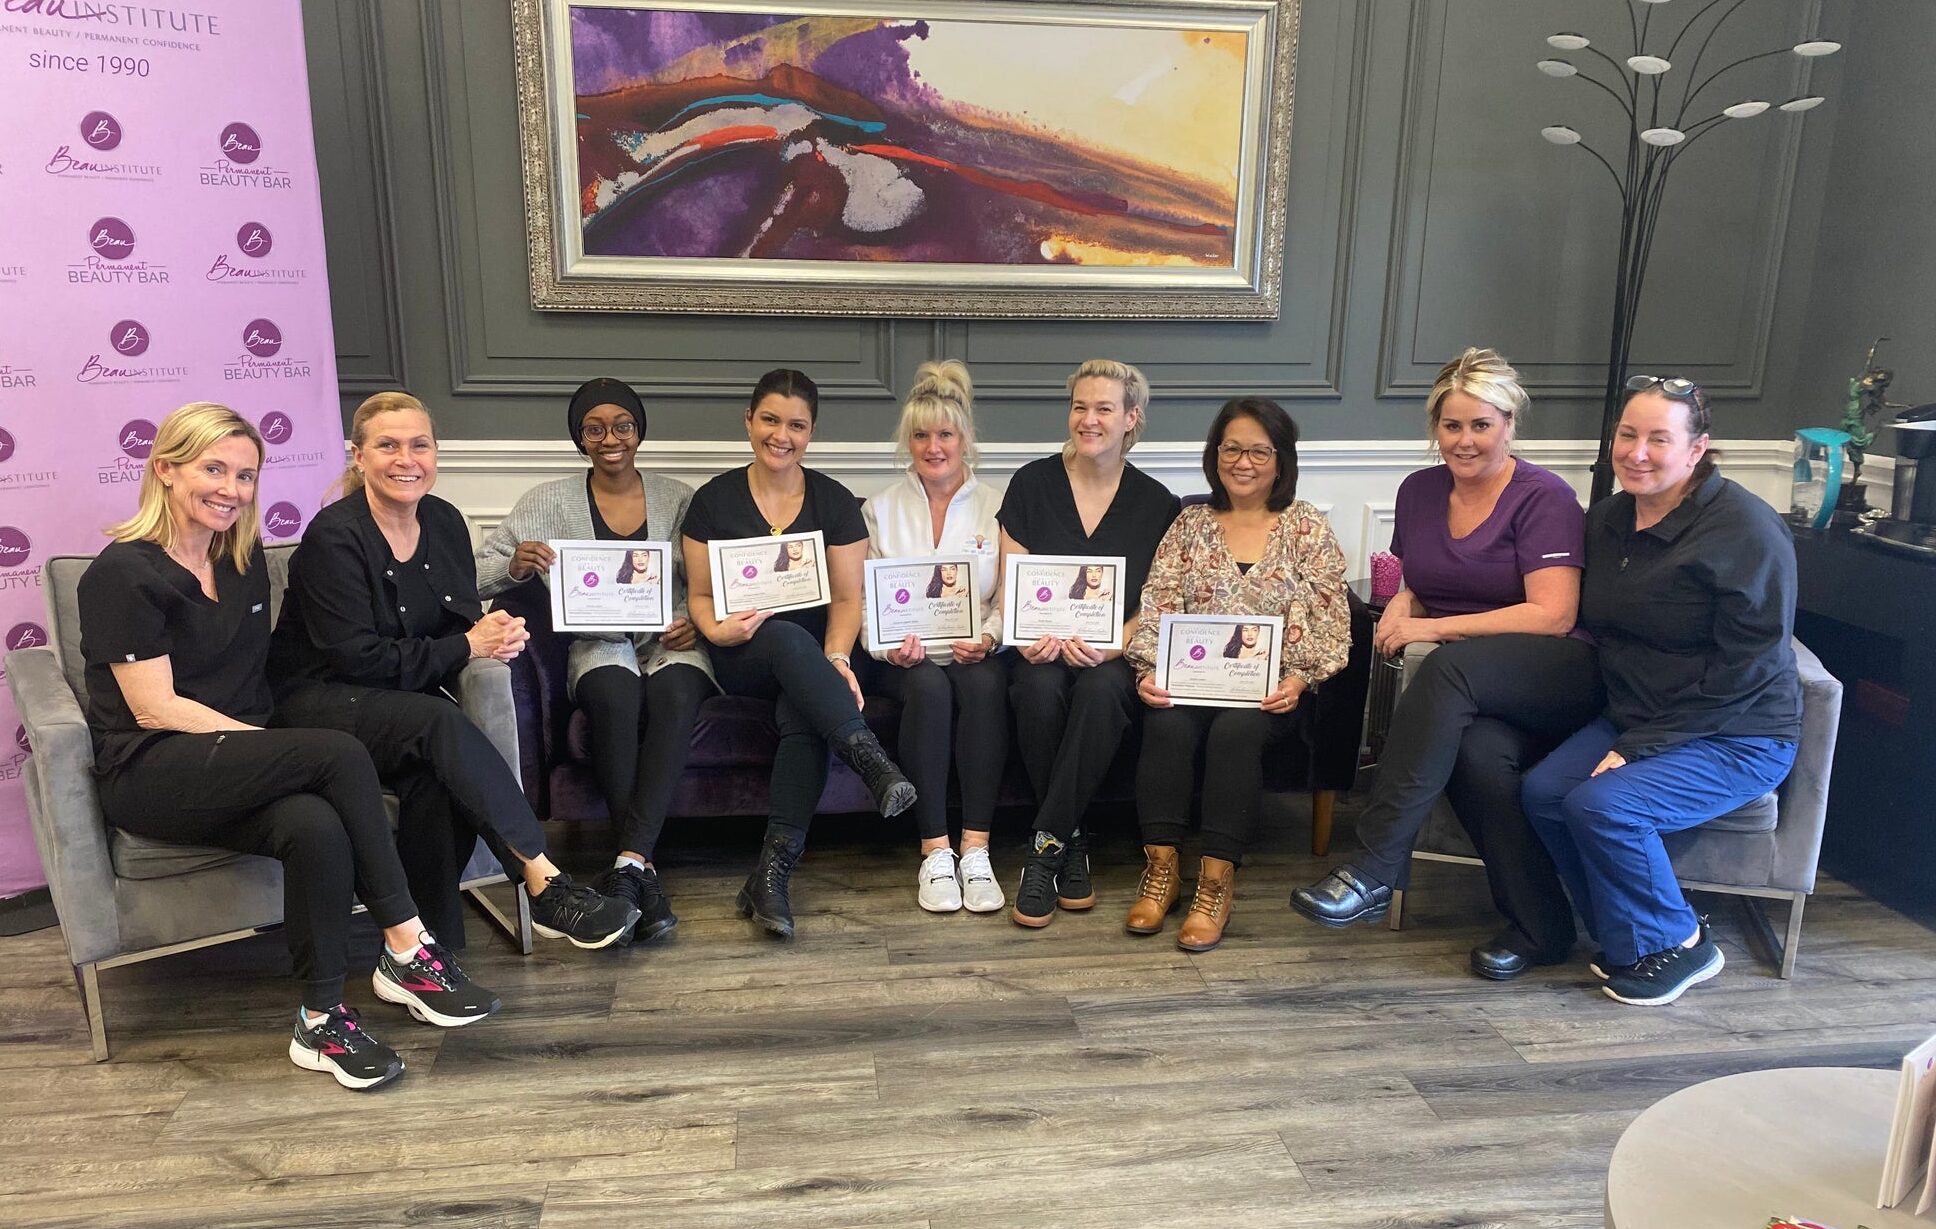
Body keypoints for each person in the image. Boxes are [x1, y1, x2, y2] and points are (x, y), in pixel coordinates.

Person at [77, 402, 498, 1092]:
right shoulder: (123, 573)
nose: (231, 488)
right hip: (150, 766)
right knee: (334, 752)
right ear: (165, 471)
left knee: (315, 824)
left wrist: (275, 747)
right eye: (214, 468)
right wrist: (278, 747)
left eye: (245, 475)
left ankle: (321, 1016)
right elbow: (154, 707)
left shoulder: (239, 562)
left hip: (230, 762)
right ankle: (405, 943)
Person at [270, 392, 641, 952]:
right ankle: (544, 882)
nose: (406, 459)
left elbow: (459, 619)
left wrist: (495, 635)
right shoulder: (333, 537)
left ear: (435, 454)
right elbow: (357, 659)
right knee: (438, 722)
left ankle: (432, 949)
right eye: (387, 446)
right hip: (320, 699)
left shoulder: (443, 521)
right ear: (358, 457)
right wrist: (468, 643)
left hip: (403, 705)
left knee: (436, 781)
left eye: (419, 445)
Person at [1288, 348, 1601, 981]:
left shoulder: (1545, 497)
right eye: (1451, 425)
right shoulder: (1419, 491)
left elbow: (1553, 614)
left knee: (1447, 671)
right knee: (1479, 757)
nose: (1464, 441)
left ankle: (1373, 867)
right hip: (1477, 687)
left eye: (1481, 425)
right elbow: (1422, 577)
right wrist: (1404, 605)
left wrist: (1429, 628)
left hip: (1556, 670)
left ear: (1510, 424)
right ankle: (1543, 927)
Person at [1522, 376, 1801, 1007]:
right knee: (1544, 792)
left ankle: (1680, 943)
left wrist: (1645, 745)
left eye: (1658, 439)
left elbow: (1750, 666)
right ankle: (1626, 938)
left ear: (1697, 449)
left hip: (1738, 732)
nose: (1637, 452)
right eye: (1627, 434)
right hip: (1637, 713)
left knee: (1605, 805)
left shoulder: (1746, 531)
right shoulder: (1611, 518)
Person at [475, 377, 715, 943]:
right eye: (595, 428)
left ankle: (630, 863)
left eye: (623, 425)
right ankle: (643, 874)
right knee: (613, 695)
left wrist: (697, 619)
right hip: (598, 641)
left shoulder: (680, 499)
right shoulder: (545, 502)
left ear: (639, 432)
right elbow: (473, 575)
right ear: (580, 438)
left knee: (676, 695)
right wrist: (513, 565)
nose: (611, 438)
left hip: (674, 639)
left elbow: (711, 578)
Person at [681, 368, 916, 938]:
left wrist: (837, 659)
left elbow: (847, 597)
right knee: (786, 638)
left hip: (817, 661)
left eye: (796, 425)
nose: (780, 435)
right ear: (749, 421)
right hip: (744, 654)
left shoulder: (834, 502)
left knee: (804, 708)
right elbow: (701, 596)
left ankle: (771, 875)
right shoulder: (713, 502)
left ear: (811, 433)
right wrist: (717, 632)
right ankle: (869, 758)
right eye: (769, 420)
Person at [1125, 398, 1351, 951]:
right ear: (1215, 454)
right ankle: (1161, 872)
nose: (1243, 461)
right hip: (1191, 682)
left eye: (1258, 450)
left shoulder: (1307, 528)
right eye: (1232, 448)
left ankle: (1215, 883)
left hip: (1269, 691)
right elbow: (1157, 603)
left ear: (1281, 460)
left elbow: (1332, 618)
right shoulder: (1190, 524)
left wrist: (1299, 681)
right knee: (1168, 724)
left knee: (1236, 731)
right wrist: (1149, 671)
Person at [1000, 358, 1181, 928]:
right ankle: (1073, 841)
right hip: (1041, 647)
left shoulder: (1157, 503)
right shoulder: (1031, 483)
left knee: (1103, 692)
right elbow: (1013, 580)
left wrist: (1115, 645)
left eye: (1104, 408)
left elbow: (1158, 602)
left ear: (1131, 419)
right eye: (1080, 406)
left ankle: (1045, 848)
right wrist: (1026, 635)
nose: (1089, 419)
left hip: (1114, 654)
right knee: (1036, 688)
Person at [861, 360, 1009, 914]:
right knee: (929, 689)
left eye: (945, 433)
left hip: (976, 653)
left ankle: (976, 848)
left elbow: (1004, 598)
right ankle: (934, 852)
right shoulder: (880, 508)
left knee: (985, 687)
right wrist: (889, 647)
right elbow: (867, 600)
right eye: (921, 435)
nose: (933, 446)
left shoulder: (999, 506)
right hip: (905, 660)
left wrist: (991, 637)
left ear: (965, 438)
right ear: (908, 441)